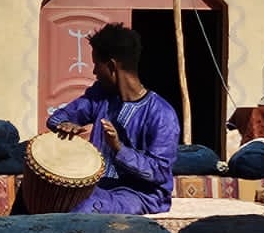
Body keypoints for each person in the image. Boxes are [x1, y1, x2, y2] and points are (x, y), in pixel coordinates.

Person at [45, 23, 180, 214]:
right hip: (100, 187)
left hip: (140, 194)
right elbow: (57, 118)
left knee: (81, 207)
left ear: (111, 66)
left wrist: (119, 149)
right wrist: (65, 125)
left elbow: (159, 172)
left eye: (96, 65)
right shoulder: (100, 96)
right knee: (45, 196)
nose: (94, 72)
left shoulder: (161, 114)